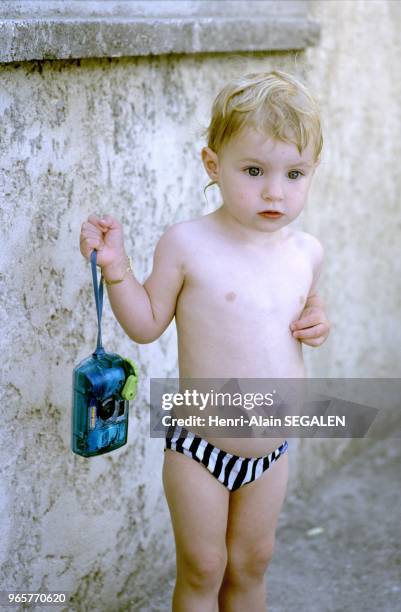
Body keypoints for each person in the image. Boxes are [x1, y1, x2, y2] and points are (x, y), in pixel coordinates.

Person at [79, 70, 330, 612]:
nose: (274, 190)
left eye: (294, 173)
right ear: (213, 166)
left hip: (273, 449)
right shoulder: (188, 244)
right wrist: (118, 269)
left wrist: (317, 318)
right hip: (200, 448)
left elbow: (306, 306)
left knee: (252, 560)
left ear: (312, 172)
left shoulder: (306, 252)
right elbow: (146, 323)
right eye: (255, 170)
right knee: (204, 567)